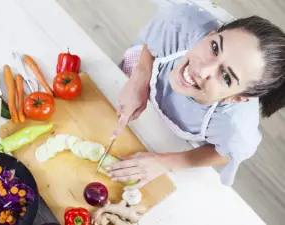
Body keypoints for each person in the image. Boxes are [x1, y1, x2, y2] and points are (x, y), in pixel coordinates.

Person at [106, 3, 285, 190]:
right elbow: (156, 39)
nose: (202, 70)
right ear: (211, 34)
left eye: (226, 77)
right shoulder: (182, 22)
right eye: (215, 48)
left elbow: (223, 154)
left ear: (236, 98)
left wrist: (165, 162)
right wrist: (139, 78)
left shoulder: (235, 128)